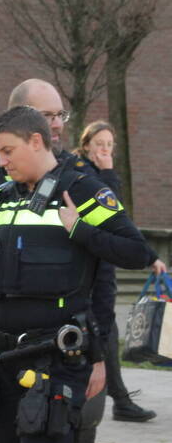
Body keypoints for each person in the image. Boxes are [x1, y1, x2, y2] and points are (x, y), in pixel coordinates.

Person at [0, 106, 154, 443]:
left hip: (56, 360)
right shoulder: (2, 197)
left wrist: (82, 231)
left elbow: (136, 251)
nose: (3, 161)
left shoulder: (81, 190)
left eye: (9, 151)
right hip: (3, 357)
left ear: (37, 141)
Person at [75, 120, 166, 421]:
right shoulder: (85, 174)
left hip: (104, 265)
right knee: (104, 330)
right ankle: (117, 400)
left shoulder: (95, 172)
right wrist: (109, 172)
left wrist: (149, 257)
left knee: (107, 330)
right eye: (99, 143)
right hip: (95, 268)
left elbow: (119, 220)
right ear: (86, 144)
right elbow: (109, 213)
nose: (104, 149)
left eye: (109, 145)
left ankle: (119, 398)